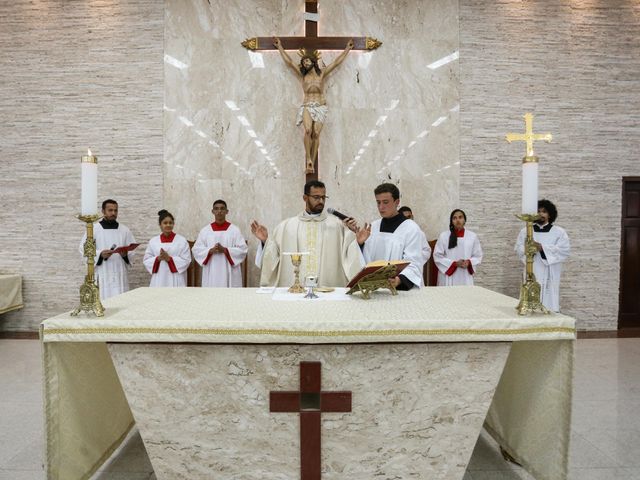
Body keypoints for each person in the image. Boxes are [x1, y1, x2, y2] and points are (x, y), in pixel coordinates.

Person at [251, 180, 362, 288]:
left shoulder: (337, 226)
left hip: (327, 290)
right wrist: (265, 241)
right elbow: (273, 256)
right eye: (316, 197)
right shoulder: (286, 226)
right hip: (296, 293)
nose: (321, 201)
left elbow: (349, 255)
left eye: (323, 197)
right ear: (305, 198)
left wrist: (355, 237)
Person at [274, 36, 354, 174]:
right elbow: (289, 62)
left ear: (313, 61)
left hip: (320, 106)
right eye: (303, 61)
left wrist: (347, 49)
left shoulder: (321, 74)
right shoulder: (302, 75)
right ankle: (308, 160)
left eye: (307, 60)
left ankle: (313, 162)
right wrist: (280, 46)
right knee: (308, 131)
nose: (305, 63)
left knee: (316, 134)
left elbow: (336, 63)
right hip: (307, 105)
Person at [357, 184, 426, 290]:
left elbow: (414, 262)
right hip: (376, 289)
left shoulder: (411, 228)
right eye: (378, 202)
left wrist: (399, 280)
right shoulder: (373, 227)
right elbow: (367, 262)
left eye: (385, 202)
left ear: (397, 202)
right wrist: (360, 244)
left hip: (399, 289)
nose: (381, 207)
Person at [515, 199, 570, 312]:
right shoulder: (526, 231)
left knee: (548, 299)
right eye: (538, 211)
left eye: (544, 211)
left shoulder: (559, 232)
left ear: (550, 214)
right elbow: (518, 248)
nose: (540, 214)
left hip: (549, 270)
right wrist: (527, 249)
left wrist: (542, 248)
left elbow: (564, 251)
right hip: (532, 268)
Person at [80, 199, 137, 300]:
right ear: (103, 211)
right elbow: (84, 249)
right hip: (103, 272)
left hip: (119, 273)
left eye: (115, 210)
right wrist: (100, 255)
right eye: (110, 210)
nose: (113, 213)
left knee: (121, 301)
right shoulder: (93, 229)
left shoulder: (124, 230)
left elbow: (132, 252)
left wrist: (125, 255)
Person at [192, 200, 248, 287]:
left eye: (222, 209)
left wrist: (225, 250)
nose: (219, 211)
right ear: (212, 211)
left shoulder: (234, 230)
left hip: (230, 271)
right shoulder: (205, 231)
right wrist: (210, 251)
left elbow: (243, 250)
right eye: (216, 209)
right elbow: (196, 250)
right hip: (211, 271)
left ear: (227, 211)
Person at [433, 209, 483, 286]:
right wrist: (454, 264)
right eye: (454, 218)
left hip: (465, 274)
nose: (458, 220)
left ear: (464, 220)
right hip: (449, 276)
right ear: (451, 221)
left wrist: (469, 262)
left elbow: (478, 255)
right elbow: (437, 256)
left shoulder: (472, 236)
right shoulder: (444, 236)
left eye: (460, 217)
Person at [143, 210, 191, 287]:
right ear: (160, 225)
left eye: (170, 223)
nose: (168, 225)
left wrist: (169, 259)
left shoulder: (181, 240)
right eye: (165, 223)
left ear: (173, 224)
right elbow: (146, 260)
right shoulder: (153, 241)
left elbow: (186, 260)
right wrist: (158, 258)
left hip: (176, 278)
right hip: (159, 278)